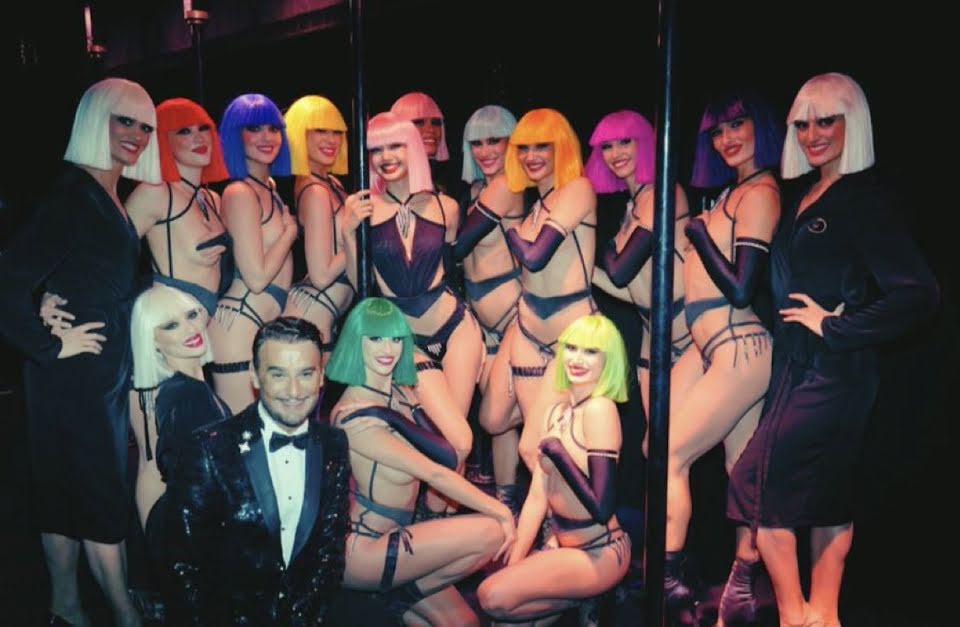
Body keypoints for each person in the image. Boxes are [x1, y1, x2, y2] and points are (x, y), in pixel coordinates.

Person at [727, 73, 939, 627]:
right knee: (825, 495)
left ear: (854, 123)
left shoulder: (865, 198)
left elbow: (918, 293)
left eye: (827, 121)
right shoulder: (804, 194)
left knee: (757, 484)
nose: (813, 134)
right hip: (795, 370)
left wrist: (837, 327)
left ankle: (795, 615)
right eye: (802, 124)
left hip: (836, 373)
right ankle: (823, 615)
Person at [0, 77, 161, 627]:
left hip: (92, 374)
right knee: (98, 497)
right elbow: (8, 278)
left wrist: (47, 301)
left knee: (64, 496)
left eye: (145, 126)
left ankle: (64, 606)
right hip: (76, 376)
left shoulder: (104, 193)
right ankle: (123, 614)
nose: (137, 134)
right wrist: (49, 343)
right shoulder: (76, 194)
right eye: (124, 120)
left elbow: (84, 274)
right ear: (95, 119)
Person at [655, 89, 784, 623]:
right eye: (718, 131)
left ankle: (670, 584)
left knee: (669, 456)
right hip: (713, 347)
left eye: (738, 125)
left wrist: (697, 235)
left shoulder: (761, 194)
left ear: (761, 128)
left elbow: (741, 287)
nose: (727, 139)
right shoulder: (733, 193)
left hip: (740, 345)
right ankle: (738, 590)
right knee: (736, 471)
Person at [327, 297, 515, 626]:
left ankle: (396, 599)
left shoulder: (399, 394)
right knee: (492, 531)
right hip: (364, 549)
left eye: (396, 338)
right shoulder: (352, 415)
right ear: (356, 342)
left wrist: (400, 411)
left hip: (399, 539)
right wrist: (500, 509)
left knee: (464, 623)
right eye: (376, 338)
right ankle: (394, 600)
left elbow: (447, 455)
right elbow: (433, 473)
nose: (388, 349)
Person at [163, 316, 351, 626]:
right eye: (278, 374)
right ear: (254, 374)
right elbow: (182, 565)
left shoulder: (334, 444)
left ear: (321, 376)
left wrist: (305, 617)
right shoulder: (209, 450)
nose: (294, 391)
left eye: (305, 373)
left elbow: (331, 548)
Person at [342, 112, 481, 493]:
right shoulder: (363, 208)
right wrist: (347, 233)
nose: (386, 157)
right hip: (405, 338)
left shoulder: (446, 207)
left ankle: (438, 515)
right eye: (376, 150)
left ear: (414, 148)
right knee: (455, 440)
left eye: (396, 146)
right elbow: (360, 284)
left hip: (456, 329)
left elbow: (453, 270)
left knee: (454, 448)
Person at [478, 314, 630, 626]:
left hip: (601, 551)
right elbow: (537, 499)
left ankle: (590, 594)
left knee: (491, 596)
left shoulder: (600, 409)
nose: (577, 359)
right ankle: (580, 599)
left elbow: (602, 508)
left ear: (608, 360)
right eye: (571, 348)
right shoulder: (556, 412)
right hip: (565, 550)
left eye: (591, 351)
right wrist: (515, 564)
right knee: (504, 620)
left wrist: (559, 454)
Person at [479, 108, 597, 478]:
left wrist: (510, 229)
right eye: (524, 148)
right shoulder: (536, 206)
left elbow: (535, 257)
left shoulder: (577, 188)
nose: (531, 156)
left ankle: (581, 512)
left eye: (541, 146)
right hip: (530, 331)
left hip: (570, 335)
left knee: (535, 447)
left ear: (561, 147)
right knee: (494, 419)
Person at [585, 109, 692, 415]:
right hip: (652, 334)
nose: (615, 153)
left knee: (675, 438)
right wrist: (581, 270)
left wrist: (607, 247)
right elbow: (632, 289)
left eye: (625, 142)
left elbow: (620, 271)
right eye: (607, 146)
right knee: (654, 438)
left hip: (689, 333)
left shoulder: (665, 194)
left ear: (644, 143)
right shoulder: (633, 206)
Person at [207, 93, 298, 413]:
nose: (266, 137)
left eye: (273, 129)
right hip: (239, 324)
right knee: (242, 434)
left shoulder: (268, 188)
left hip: (260, 324)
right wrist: (290, 233)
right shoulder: (239, 192)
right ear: (235, 135)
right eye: (254, 129)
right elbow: (257, 278)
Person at [129, 284, 227, 537]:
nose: (191, 328)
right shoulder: (186, 396)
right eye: (171, 325)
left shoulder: (186, 388)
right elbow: (193, 483)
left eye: (192, 315)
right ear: (152, 340)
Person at [282, 95, 354, 362]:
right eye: (320, 131)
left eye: (336, 132)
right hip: (311, 314)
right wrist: (355, 238)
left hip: (323, 316)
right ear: (299, 134)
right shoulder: (315, 191)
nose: (331, 139)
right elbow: (321, 275)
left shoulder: (332, 183)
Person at [391, 91, 456, 196]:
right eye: (419, 122)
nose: (430, 129)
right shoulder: (383, 190)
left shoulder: (445, 187)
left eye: (436, 123)